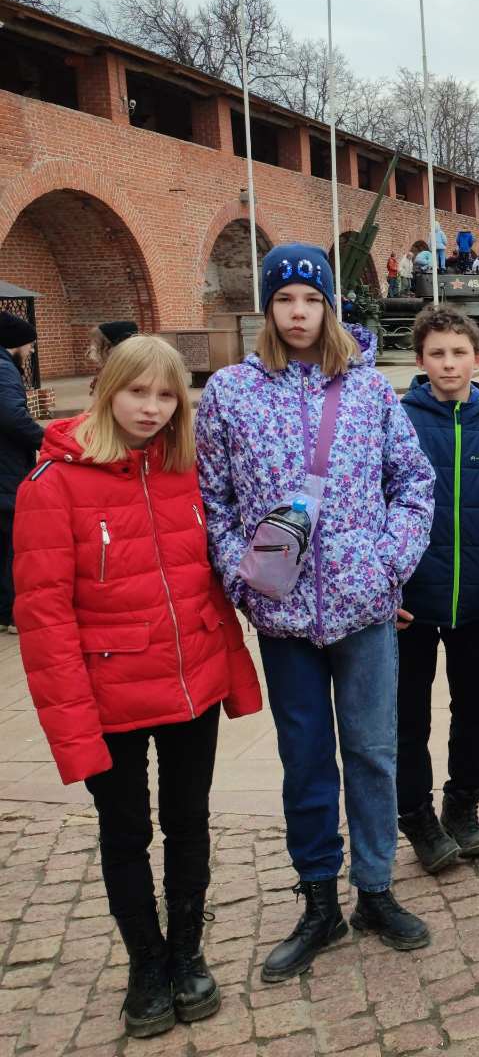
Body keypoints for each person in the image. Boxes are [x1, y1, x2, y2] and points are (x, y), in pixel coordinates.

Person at [196, 244, 436, 982]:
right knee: (305, 763)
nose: (299, 313)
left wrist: (388, 561)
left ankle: (374, 889)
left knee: (370, 751)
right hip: (284, 616)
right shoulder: (231, 394)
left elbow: (414, 483)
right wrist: (246, 580)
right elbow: (213, 500)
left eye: (311, 300)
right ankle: (318, 901)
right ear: (267, 309)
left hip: (363, 610)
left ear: (329, 306)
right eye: (285, 301)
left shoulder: (367, 392)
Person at [14, 336, 262, 1039]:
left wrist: (236, 670)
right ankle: (146, 962)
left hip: (190, 686)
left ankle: (186, 951)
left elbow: (213, 581)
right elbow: (43, 617)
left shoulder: (187, 471)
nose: (151, 409)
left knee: (189, 823)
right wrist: (73, 731)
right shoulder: (53, 485)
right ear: (107, 390)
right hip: (110, 693)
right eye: (138, 393)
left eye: (165, 396)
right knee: (126, 833)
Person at [396, 307, 479, 873]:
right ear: (420, 360)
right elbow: (375, 507)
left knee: (474, 710)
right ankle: (416, 816)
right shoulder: (397, 422)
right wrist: (385, 587)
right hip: (411, 604)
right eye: (436, 354)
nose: (448, 364)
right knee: (408, 715)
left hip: (477, 602)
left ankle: (463, 806)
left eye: (458, 353)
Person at [0, 312, 43, 634]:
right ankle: (12, 612)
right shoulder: (3, 368)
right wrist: (48, 439)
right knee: (12, 542)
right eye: (29, 345)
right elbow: (12, 416)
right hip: (6, 467)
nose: (29, 351)